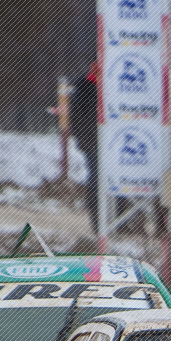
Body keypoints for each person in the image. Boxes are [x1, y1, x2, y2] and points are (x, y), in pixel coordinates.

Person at [69, 61, 101, 235]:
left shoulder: (112, 86)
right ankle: (96, 218)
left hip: (111, 141)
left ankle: (118, 218)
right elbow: (75, 115)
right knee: (96, 178)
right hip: (91, 140)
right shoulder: (83, 86)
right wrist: (83, 137)